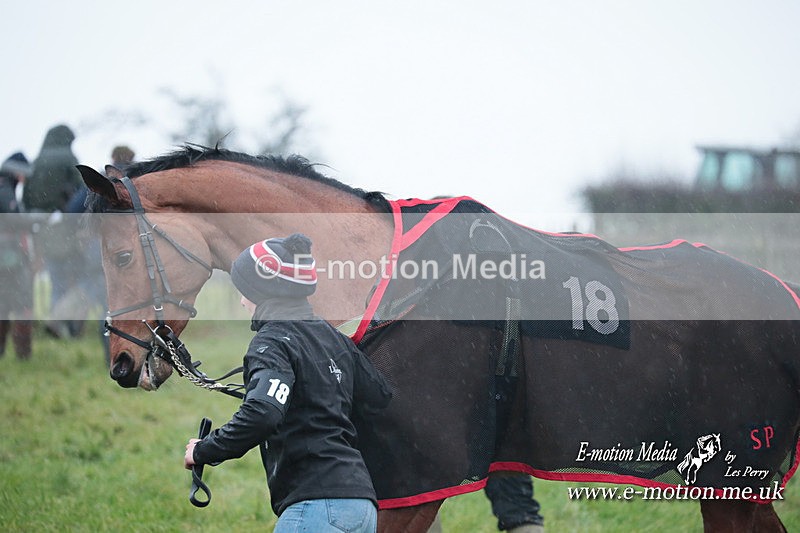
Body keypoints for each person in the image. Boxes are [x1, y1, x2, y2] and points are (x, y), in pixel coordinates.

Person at [184, 233, 392, 533]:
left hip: (316, 507)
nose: (242, 301)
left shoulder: (270, 342)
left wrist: (204, 450)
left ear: (262, 291)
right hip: (361, 506)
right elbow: (379, 398)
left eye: (245, 291)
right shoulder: (335, 339)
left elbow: (263, 412)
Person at [23, 124, 84, 330]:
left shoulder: (36, 162)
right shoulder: (69, 159)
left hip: (40, 227)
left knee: (53, 274)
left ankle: (52, 321)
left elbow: (26, 197)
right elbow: (80, 191)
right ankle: (68, 324)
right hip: (65, 226)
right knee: (73, 275)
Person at [0, 152, 36, 359]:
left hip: (8, 257)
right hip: (9, 259)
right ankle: (23, 355)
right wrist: (36, 223)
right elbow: (13, 219)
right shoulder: (5, 190)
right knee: (22, 304)